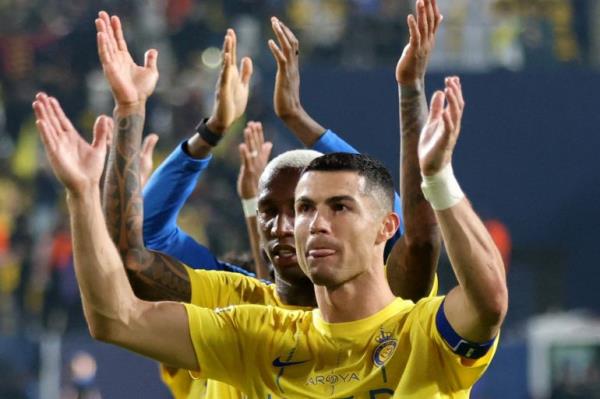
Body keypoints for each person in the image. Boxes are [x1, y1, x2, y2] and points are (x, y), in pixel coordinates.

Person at [33, 68, 508, 397]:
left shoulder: (418, 330)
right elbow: (118, 314)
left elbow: (481, 293)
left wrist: (437, 175)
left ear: (386, 228)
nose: (308, 223)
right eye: (303, 209)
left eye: (338, 207)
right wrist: (81, 193)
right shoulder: (255, 333)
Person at [99, 3, 443, 397]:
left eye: (305, 208)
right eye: (268, 211)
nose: (285, 226)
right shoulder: (237, 303)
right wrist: (200, 130)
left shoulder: (383, 305)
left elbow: (406, 226)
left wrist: (300, 120)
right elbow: (136, 251)